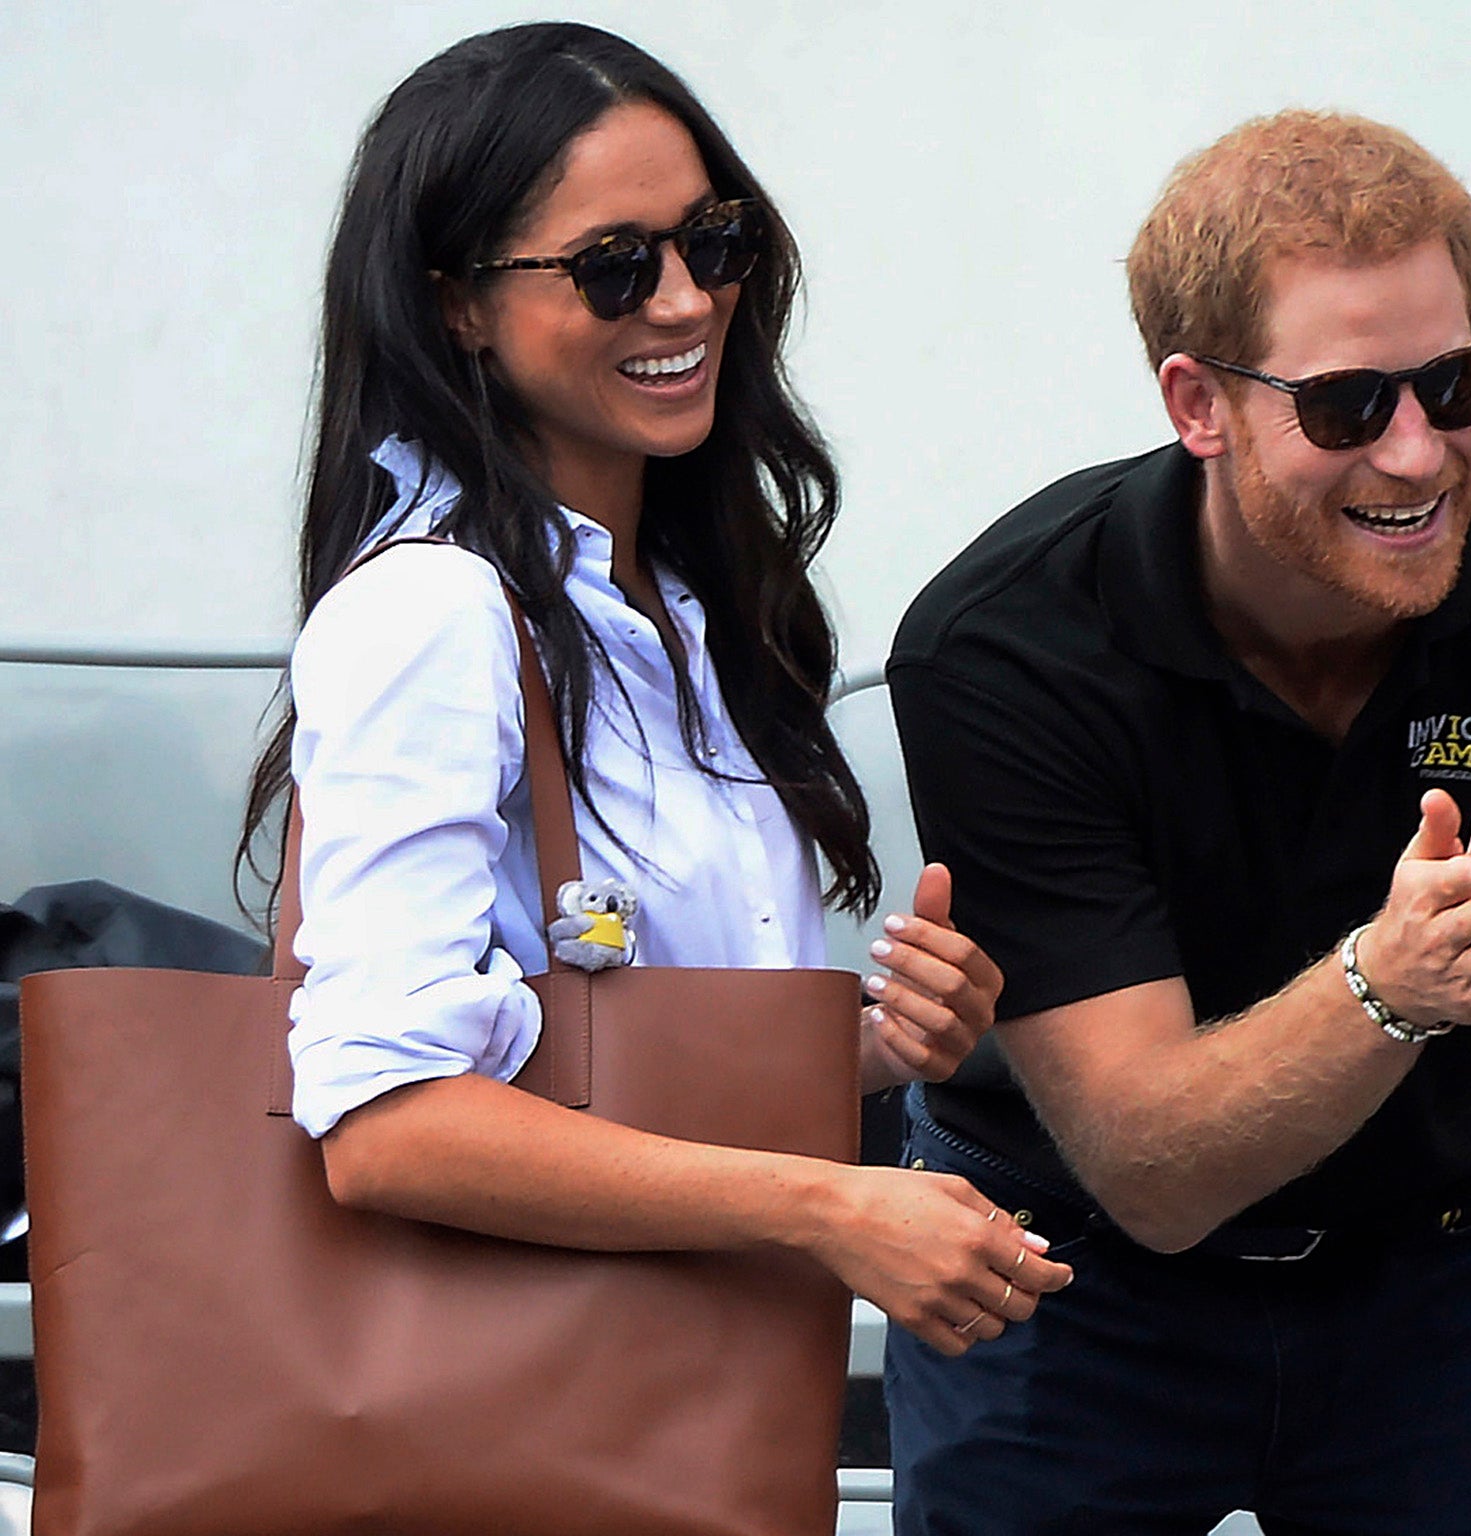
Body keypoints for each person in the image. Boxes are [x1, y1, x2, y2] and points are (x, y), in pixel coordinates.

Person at [885, 109, 1471, 1534]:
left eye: (1460, 381)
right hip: (1070, 1266)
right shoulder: (1011, 644)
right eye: (1351, 406)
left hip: (1454, 1255)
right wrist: (1392, 986)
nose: (1418, 456)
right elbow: (1151, 1173)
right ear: (1198, 404)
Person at [236, 21, 1070, 1370]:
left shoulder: (686, 608)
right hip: (527, 1415)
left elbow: (625, 1053)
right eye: (614, 267)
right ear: (458, 304)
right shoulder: (432, 615)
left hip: (700, 1393)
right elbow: (386, 1121)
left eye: (715, 242)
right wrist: (829, 1202)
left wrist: (874, 1049)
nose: (684, 302)